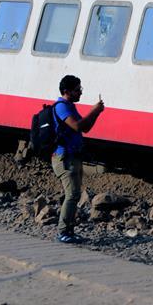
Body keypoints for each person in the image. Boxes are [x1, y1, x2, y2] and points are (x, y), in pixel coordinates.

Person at [52, 75, 104, 243]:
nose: (80, 92)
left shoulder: (70, 106)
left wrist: (96, 114)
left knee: (74, 195)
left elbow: (85, 128)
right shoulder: (62, 107)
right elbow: (77, 126)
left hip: (73, 156)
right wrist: (93, 111)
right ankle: (63, 232)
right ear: (67, 91)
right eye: (77, 89)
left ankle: (68, 231)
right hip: (64, 157)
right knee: (72, 194)